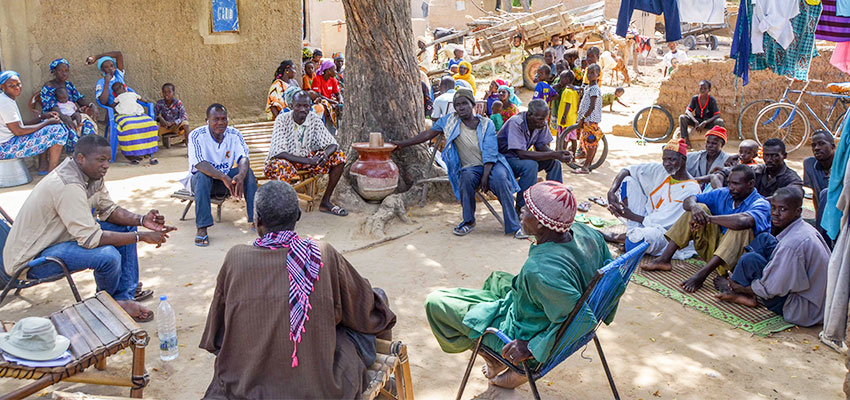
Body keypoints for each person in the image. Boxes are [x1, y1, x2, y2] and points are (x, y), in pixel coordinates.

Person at [199, 181, 395, 399]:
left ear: (257, 219)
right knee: (377, 300)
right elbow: (365, 308)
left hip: (246, 389)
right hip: (320, 390)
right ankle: (387, 391)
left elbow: (217, 337)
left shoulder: (235, 258)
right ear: (298, 217)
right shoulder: (322, 254)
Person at [424, 181, 613, 389]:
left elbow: (581, 321)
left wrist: (531, 347)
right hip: (542, 306)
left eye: (527, 208)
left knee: (436, 303)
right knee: (497, 278)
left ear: (541, 223)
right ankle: (494, 352)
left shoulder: (541, 272)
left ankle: (496, 357)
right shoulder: (587, 233)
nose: (521, 209)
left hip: (523, 332)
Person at [3, 134, 175, 322]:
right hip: (33, 259)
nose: (106, 165)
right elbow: (91, 239)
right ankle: (106, 306)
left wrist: (141, 220)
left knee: (126, 229)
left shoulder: (90, 174)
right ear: (80, 158)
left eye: (108, 160)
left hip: (60, 240)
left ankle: (122, 298)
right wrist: (141, 237)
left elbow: (109, 210)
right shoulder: (68, 184)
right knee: (108, 256)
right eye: (101, 160)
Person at [392, 89, 524, 238]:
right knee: (466, 178)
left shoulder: (487, 124)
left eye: (464, 104)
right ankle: (468, 222)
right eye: (457, 105)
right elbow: (427, 134)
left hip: (492, 165)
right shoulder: (449, 121)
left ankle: (514, 226)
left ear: (472, 104)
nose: (461, 107)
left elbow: (490, 150)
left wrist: (486, 176)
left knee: (500, 179)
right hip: (470, 167)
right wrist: (402, 143)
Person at [645, 165, 772, 293]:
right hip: (715, 252)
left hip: (738, 262)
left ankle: (702, 275)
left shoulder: (761, 203)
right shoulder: (724, 193)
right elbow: (688, 200)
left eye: (736, 184)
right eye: (729, 183)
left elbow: (743, 221)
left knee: (740, 228)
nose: (731, 188)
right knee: (697, 208)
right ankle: (664, 259)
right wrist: (695, 207)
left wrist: (708, 219)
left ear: (751, 184)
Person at [714, 187, 830, 327]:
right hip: (819, 300)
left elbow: (771, 289)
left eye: (783, 209)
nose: (775, 213)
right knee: (764, 239)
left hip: (804, 309)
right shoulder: (804, 228)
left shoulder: (791, 245)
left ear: (798, 212)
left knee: (749, 260)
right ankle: (740, 282)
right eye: (773, 208)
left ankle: (736, 290)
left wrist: (741, 288)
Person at [604, 139, 701, 258]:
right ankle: (629, 236)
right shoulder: (662, 170)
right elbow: (628, 170)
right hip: (643, 221)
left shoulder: (691, 188)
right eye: (664, 159)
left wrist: (630, 215)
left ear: (683, 159)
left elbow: (664, 223)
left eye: (672, 159)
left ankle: (624, 238)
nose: (666, 163)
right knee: (627, 181)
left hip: (664, 234)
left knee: (638, 239)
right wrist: (612, 191)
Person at [183, 104, 258, 247]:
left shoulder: (234, 134)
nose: (220, 122)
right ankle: (202, 228)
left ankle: (256, 219)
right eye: (215, 119)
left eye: (224, 119)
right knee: (201, 176)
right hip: (203, 183)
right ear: (207, 120)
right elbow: (199, 164)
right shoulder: (196, 135)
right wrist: (223, 177)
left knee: (248, 172)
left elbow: (243, 157)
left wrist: (241, 175)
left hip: (225, 182)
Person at [265, 91, 348, 217]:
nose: (302, 109)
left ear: (310, 106)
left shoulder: (313, 119)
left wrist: (324, 155)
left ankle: (325, 202)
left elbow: (332, 144)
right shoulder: (282, 120)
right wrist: (310, 161)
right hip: (285, 161)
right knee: (280, 166)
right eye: (298, 106)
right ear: (292, 106)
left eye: (306, 106)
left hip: (306, 160)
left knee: (339, 157)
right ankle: (287, 209)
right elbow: (279, 153)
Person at [498, 99, 571, 213]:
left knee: (555, 163)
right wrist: (553, 154)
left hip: (519, 158)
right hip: (504, 160)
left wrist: (557, 155)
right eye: (540, 119)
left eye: (545, 119)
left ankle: (557, 200)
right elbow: (521, 153)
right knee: (530, 166)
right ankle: (522, 207)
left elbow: (541, 146)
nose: (543, 122)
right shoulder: (516, 122)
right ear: (529, 115)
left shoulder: (540, 124)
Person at [0, 71, 68, 173]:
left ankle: (44, 167)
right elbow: (19, 131)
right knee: (57, 131)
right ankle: (52, 173)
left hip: (6, 144)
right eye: (11, 86)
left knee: (48, 126)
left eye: (18, 84)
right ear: (2, 87)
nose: (17, 87)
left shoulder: (5, 99)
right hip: (5, 148)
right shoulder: (5, 103)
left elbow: (18, 125)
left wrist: (42, 117)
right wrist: (47, 123)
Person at [708, 138, 803, 197]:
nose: (769, 159)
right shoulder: (757, 169)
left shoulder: (791, 178)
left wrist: (760, 202)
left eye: (775, 156)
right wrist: (719, 191)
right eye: (766, 155)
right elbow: (718, 174)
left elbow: (796, 194)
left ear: (785, 156)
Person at [40, 58, 98, 138]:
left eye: (66, 71)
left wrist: (91, 105)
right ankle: (75, 150)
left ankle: (88, 149)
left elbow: (79, 99)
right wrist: (64, 117)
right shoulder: (48, 86)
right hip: (56, 117)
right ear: (54, 71)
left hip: (72, 115)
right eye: (61, 71)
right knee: (70, 131)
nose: (64, 74)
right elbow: (53, 107)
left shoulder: (68, 85)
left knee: (88, 126)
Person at [110, 82, 159, 165]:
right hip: (127, 115)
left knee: (151, 124)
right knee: (129, 127)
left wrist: (148, 102)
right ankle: (131, 154)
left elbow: (112, 106)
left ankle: (146, 150)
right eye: (116, 90)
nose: (118, 91)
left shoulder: (131, 94)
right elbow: (143, 100)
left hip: (135, 113)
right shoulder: (123, 96)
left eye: (118, 89)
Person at [804, 131, 836, 246]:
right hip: (823, 217)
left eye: (822, 144)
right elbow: (814, 195)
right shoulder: (809, 164)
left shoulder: (843, 165)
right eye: (814, 145)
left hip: (840, 212)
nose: (817, 148)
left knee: (826, 193)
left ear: (833, 146)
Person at [574, 64, 603, 174]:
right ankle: (588, 163)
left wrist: (584, 117)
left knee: (591, 142)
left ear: (598, 75)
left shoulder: (594, 89)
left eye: (592, 73)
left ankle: (586, 167)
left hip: (590, 119)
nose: (589, 75)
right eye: (588, 73)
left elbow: (592, 106)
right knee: (589, 142)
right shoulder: (589, 87)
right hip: (588, 120)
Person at [678, 80, 723, 148]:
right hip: (697, 121)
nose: (702, 90)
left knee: (720, 122)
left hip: (708, 122)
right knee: (682, 117)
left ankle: (718, 142)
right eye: (701, 88)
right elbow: (688, 111)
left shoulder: (711, 100)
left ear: (709, 90)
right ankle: (686, 140)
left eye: (705, 88)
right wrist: (695, 121)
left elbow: (717, 115)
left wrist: (705, 122)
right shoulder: (695, 98)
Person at [555, 70, 579, 154]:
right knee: (573, 138)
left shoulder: (567, 91)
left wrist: (564, 116)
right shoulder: (574, 91)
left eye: (561, 78)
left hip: (565, 120)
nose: (560, 80)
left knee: (564, 138)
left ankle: (563, 154)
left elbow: (568, 104)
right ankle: (573, 156)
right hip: (572, 119)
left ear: (567, 79)